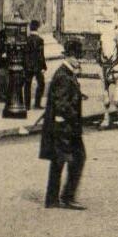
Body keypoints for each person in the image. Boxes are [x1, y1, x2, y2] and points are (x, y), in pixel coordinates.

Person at [40, 36, 86, 209]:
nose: (78, 60)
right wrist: (73, 116)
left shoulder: (65, 73)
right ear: (68, 56)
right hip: (65, 128)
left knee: (59, 161)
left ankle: (53, 199)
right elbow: (61, 105)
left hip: (63, 127)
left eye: (79, 56)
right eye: (76, 56)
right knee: (77, 158)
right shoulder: (64, 76)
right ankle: (66, 197)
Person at [24, 20, 47, 111]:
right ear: (38, 28)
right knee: (41, 83)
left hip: (28, 66)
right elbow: (41, 55)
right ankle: (37, 103)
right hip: (37, 66)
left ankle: (27, 105)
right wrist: (44, 66)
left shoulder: (26, 39)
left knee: (27, 85)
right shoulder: (40, 40)